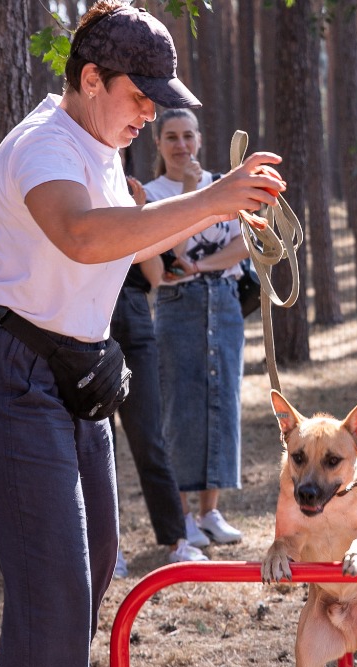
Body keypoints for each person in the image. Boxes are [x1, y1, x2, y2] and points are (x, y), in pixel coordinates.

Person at [0, 3, 283, 667]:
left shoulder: (103, 148)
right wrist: (211, 197)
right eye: (139, 94)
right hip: (11, 378)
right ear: (90, 79)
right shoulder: (42, 146)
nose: (152, 113)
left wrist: (233, 232)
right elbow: (84, 236)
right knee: (52, 581)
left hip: (71, 378)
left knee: (89, 570)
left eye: (160, 99)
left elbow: (138, 255)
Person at [143, 109, 252, 548]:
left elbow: (246, 243)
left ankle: (211, 511)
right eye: (171, 137)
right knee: (180, 406)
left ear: (200, 139)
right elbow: (167, 257)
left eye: (188, 136)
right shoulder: (151, 194)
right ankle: (183, 515)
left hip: (223, 305)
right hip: (176, 306)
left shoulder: (224, 185)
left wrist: (203, 265)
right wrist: (189, 192)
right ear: (158, 143)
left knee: (222, 400)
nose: (181, 145)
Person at [109, 175, 208, 575]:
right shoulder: (73, 194)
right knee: (99, 445)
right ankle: (106, 549)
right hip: (83, 320)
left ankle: (176, 540)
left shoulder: (135, 198)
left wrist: (136, 214)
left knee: (149, 437)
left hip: (132, 318)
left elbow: (152, 276)